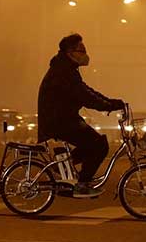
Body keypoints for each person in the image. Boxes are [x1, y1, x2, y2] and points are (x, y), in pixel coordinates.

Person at [37, 33, 125, 197]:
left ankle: (62, 167)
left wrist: (110, 102)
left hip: (63, 119)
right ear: (70, 52)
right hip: (59, 121)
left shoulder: (67, 69)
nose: (85, 54)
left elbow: (86, 90)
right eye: (82, 50)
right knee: (99, 145)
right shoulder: (63, 72)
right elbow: (84, 96)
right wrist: (108, 105)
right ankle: (82, 184)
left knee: (92, 144)